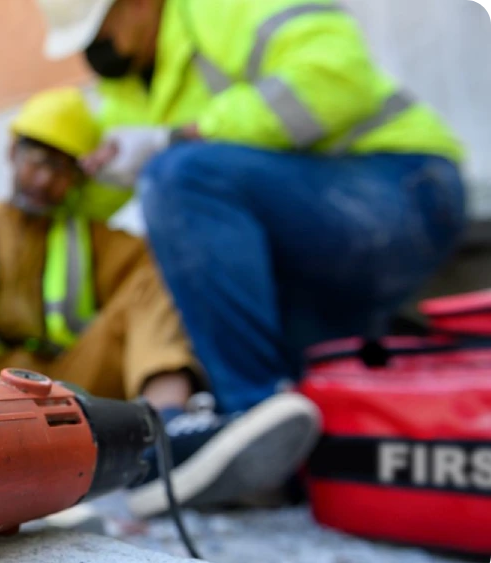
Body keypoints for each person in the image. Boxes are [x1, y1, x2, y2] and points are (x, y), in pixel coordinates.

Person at [34, 0, 466, 509]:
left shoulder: (225, 9)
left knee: (178, 176)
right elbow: (128, 176)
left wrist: (175, 139)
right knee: (320, 433)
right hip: (311, 231)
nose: (96, 53)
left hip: (400, 188)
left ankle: (250, 410)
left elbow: (333, 79)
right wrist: (75, 176)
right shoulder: (131, 86)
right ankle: (281, 458)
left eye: (99, 32)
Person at [0, 86, 321, 517]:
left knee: (156, 275)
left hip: (68, 390)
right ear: (12, 151)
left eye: (63, 170)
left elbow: (164, 281)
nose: (46, 180)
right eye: (37, 161)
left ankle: (166, 436)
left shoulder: (91, 239)